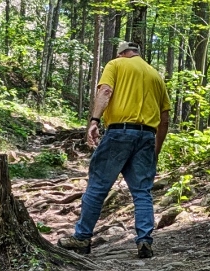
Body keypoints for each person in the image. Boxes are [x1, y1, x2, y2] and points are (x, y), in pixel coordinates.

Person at [57, 41, 170, 258]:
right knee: (142, 192)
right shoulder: (156, 76)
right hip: (147, 135)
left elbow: (106, 91)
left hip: (119, 132)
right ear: (137, 53)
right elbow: (164, 119)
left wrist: (94, 120)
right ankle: (144, 241)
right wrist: (156, 148)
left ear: (122, 54)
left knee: (98, 185)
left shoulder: (116, 64)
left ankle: (81, 238)